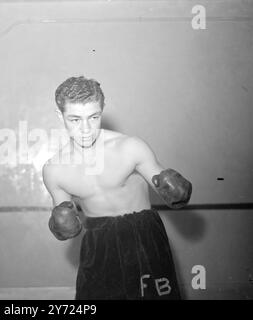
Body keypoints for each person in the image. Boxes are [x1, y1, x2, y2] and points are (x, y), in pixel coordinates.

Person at [42, 76, 192, 300]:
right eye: (74, 119)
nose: (85, 129)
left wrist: (175, 189)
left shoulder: (130, 147)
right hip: (98, 239)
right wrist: (61, 223)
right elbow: (64, 224)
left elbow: (169, 188)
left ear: (102, 110)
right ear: (59, 116)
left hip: (143, 234)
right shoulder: (55, 170)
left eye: (93, 117)